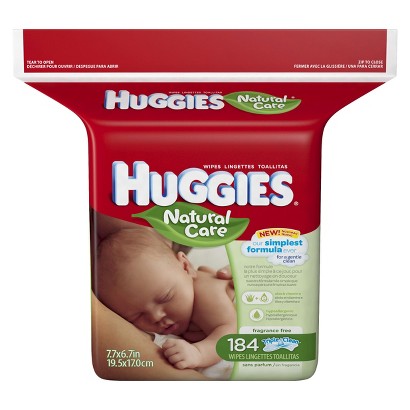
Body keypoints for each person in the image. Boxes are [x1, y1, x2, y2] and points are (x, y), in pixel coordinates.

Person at [90, 210, 233, 380]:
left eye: (166, 297)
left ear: (186, 266)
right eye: (137, 316)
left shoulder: (206, 294)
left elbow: (230, 333)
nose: (156, 316)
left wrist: (198, 353)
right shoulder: (171, 283)